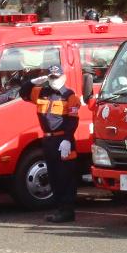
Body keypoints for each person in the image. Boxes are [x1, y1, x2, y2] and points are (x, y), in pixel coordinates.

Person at [23, 65, 82, 224]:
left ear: (63, 77)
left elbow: (73, 119)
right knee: (54, 176)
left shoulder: (69, 96)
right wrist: (33, 81)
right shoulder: (41, 93)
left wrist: (67, 139)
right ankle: (59, 210)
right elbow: (23, 92)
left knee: (66, 177)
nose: (54, 80)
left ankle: (67, 211)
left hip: (63, 140)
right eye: (51, 77)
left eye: (56, 77)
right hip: (48, 140)